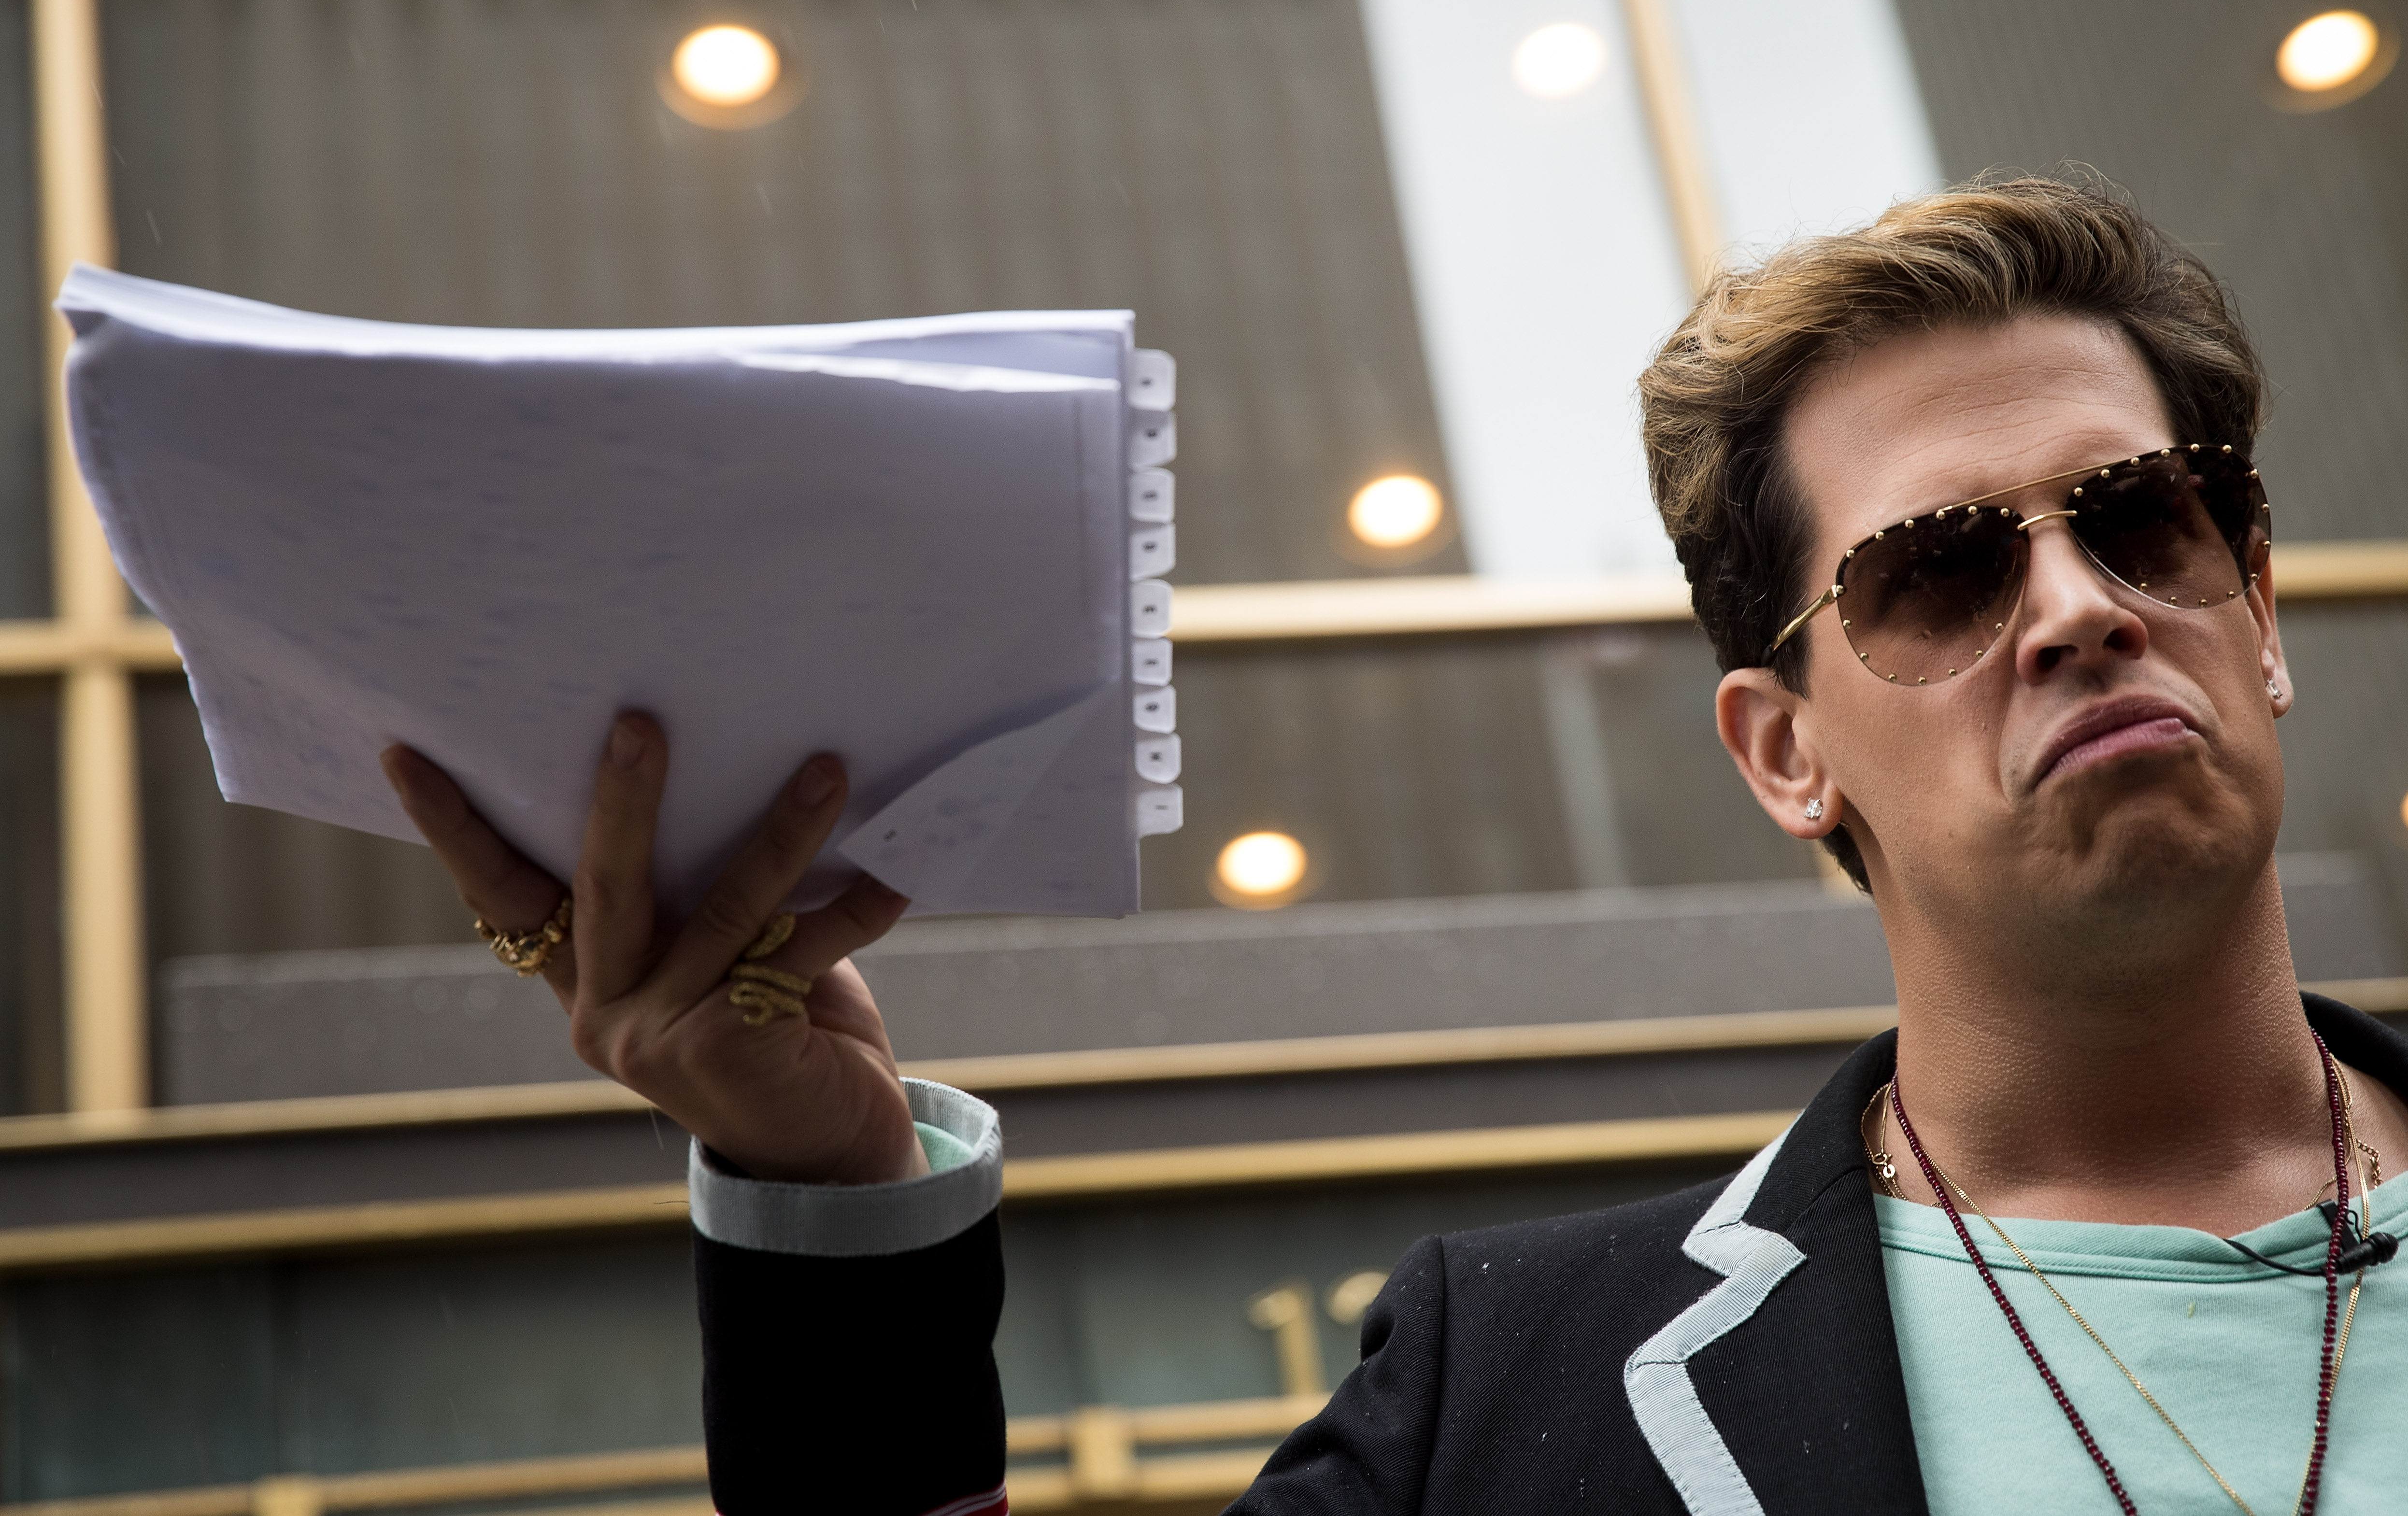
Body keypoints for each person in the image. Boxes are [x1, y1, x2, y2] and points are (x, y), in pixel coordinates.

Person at [384, 174, 2408, 1515]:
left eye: (2140, 521)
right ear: (1784, 752)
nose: (2072, 607)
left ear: (2250, 600)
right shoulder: (1499, 1397)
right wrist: (828, 1196)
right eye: (1942, 570)